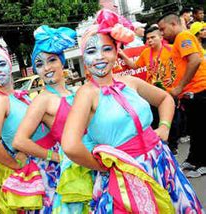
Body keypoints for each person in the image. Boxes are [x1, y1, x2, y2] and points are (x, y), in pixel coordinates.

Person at [62, 9, 204, 213]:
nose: (100, 57)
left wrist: (164, 128)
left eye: (107, 49)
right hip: (126, 175)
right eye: (92, 51)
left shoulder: (129, 81)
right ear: (84, 57)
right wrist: (101, 167)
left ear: (116, 51)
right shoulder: (86, 93)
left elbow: (165, 98)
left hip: (160, 162)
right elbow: (70, 145)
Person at [12, 25, 94, 213]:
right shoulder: (42, 100)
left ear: (62, 62)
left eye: (52, 60)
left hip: (92, 160)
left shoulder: (77, 92)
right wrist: (56, 157)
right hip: (72, 172)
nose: (47, 67)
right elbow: (19, 140)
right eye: (40, 64)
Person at [0, 34, 50, 213]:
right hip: (38, 168)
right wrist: (16, 165)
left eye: (2, 63)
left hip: (47, 160)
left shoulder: (16, 96)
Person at [158, 13, 206, 177]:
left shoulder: (183, 36)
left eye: (163, 29)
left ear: (173, 24)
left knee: (200, 129)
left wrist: (179, 87)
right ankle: (194, 159)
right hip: (192, 93)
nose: (161, 34)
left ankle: (202, 164)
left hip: (199, 90)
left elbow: (195, 61)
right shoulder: (180, 39)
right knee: (195, 129)